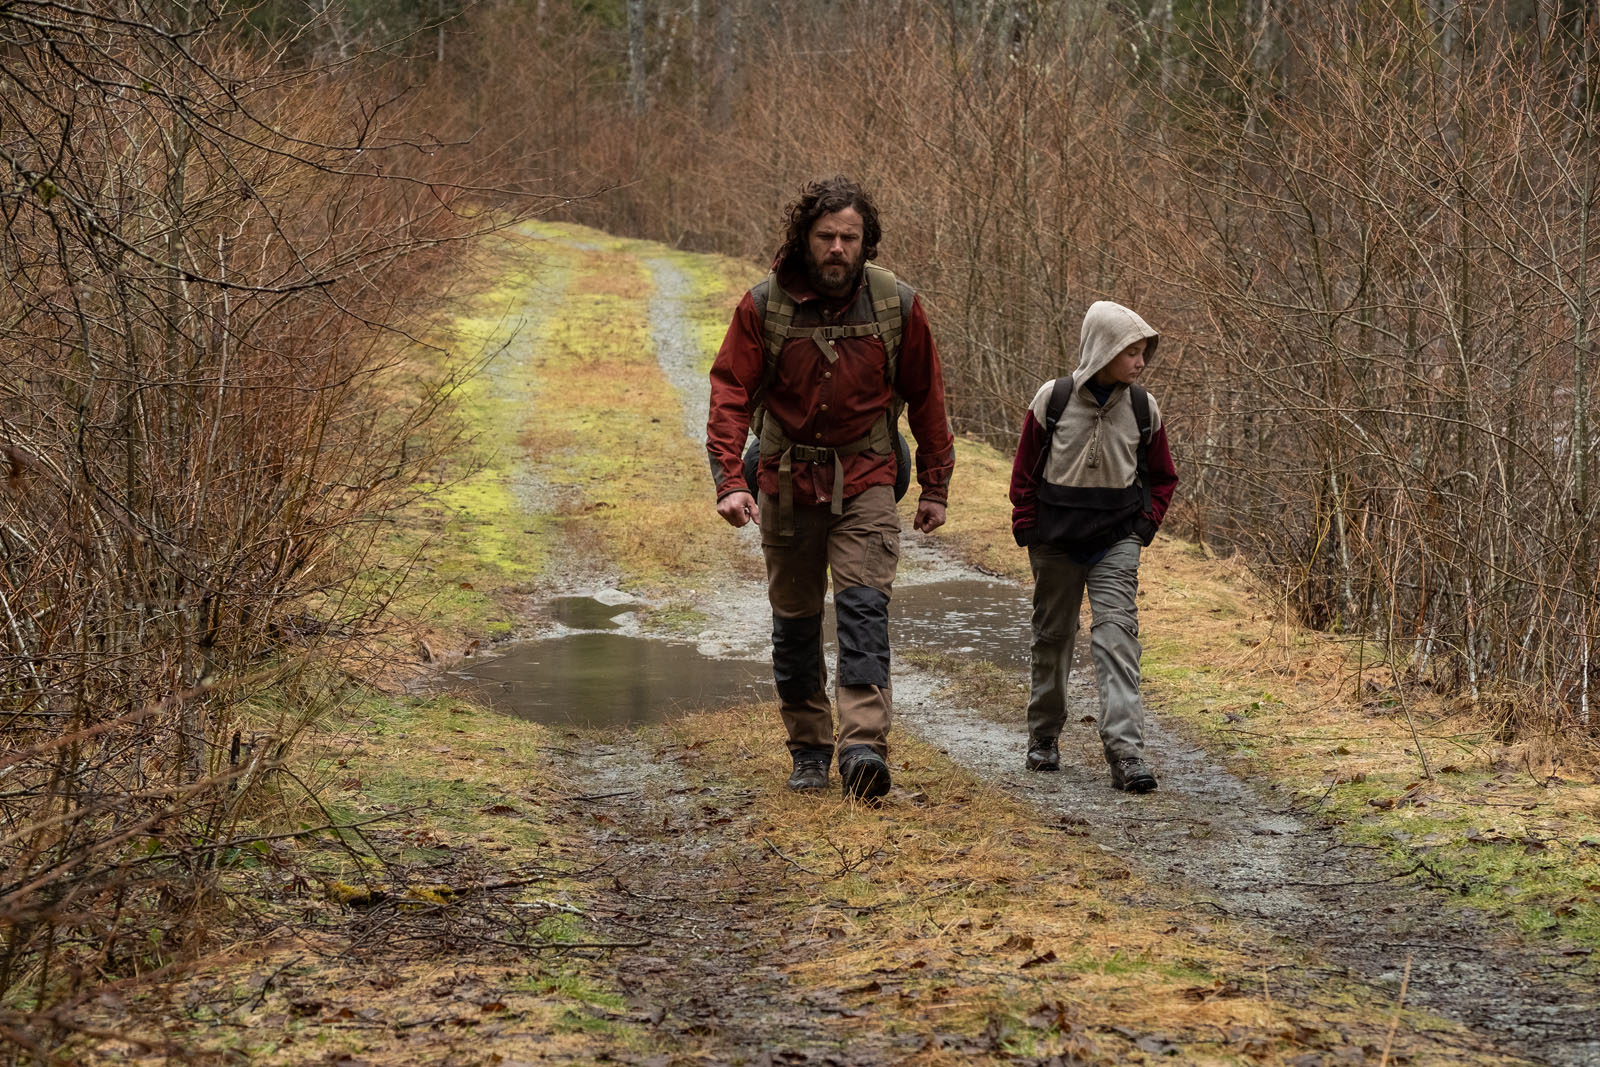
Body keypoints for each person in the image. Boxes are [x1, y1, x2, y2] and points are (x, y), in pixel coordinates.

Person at [706, 176, 955, 801]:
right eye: (826, 236)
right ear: (805, 238)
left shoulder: (897, 305)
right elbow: (730, 393)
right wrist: (728, 481)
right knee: (794, 622)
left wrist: (935, 486)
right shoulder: (763, 306)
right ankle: (809, 750)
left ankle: (864, 748)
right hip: (784, 481)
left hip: (868, 476)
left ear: (866, 241)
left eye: (850, 236)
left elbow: (928, 398)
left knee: (864, 610)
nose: (838, 248)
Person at [1007, 300, 1178, 793]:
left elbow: (1163, 477)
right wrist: (1029, 529)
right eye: (1132, 352)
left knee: (1117, 639)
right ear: (1103, 350)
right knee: (1052, 638)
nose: (1140, 363)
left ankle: (1126, 753)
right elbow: (1024, 473)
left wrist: (1142, 529)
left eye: (1144, 353)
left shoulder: (1144, 409)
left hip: (1116, 542)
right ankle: (1043, 737)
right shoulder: (1052, 401)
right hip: (1054, 543)